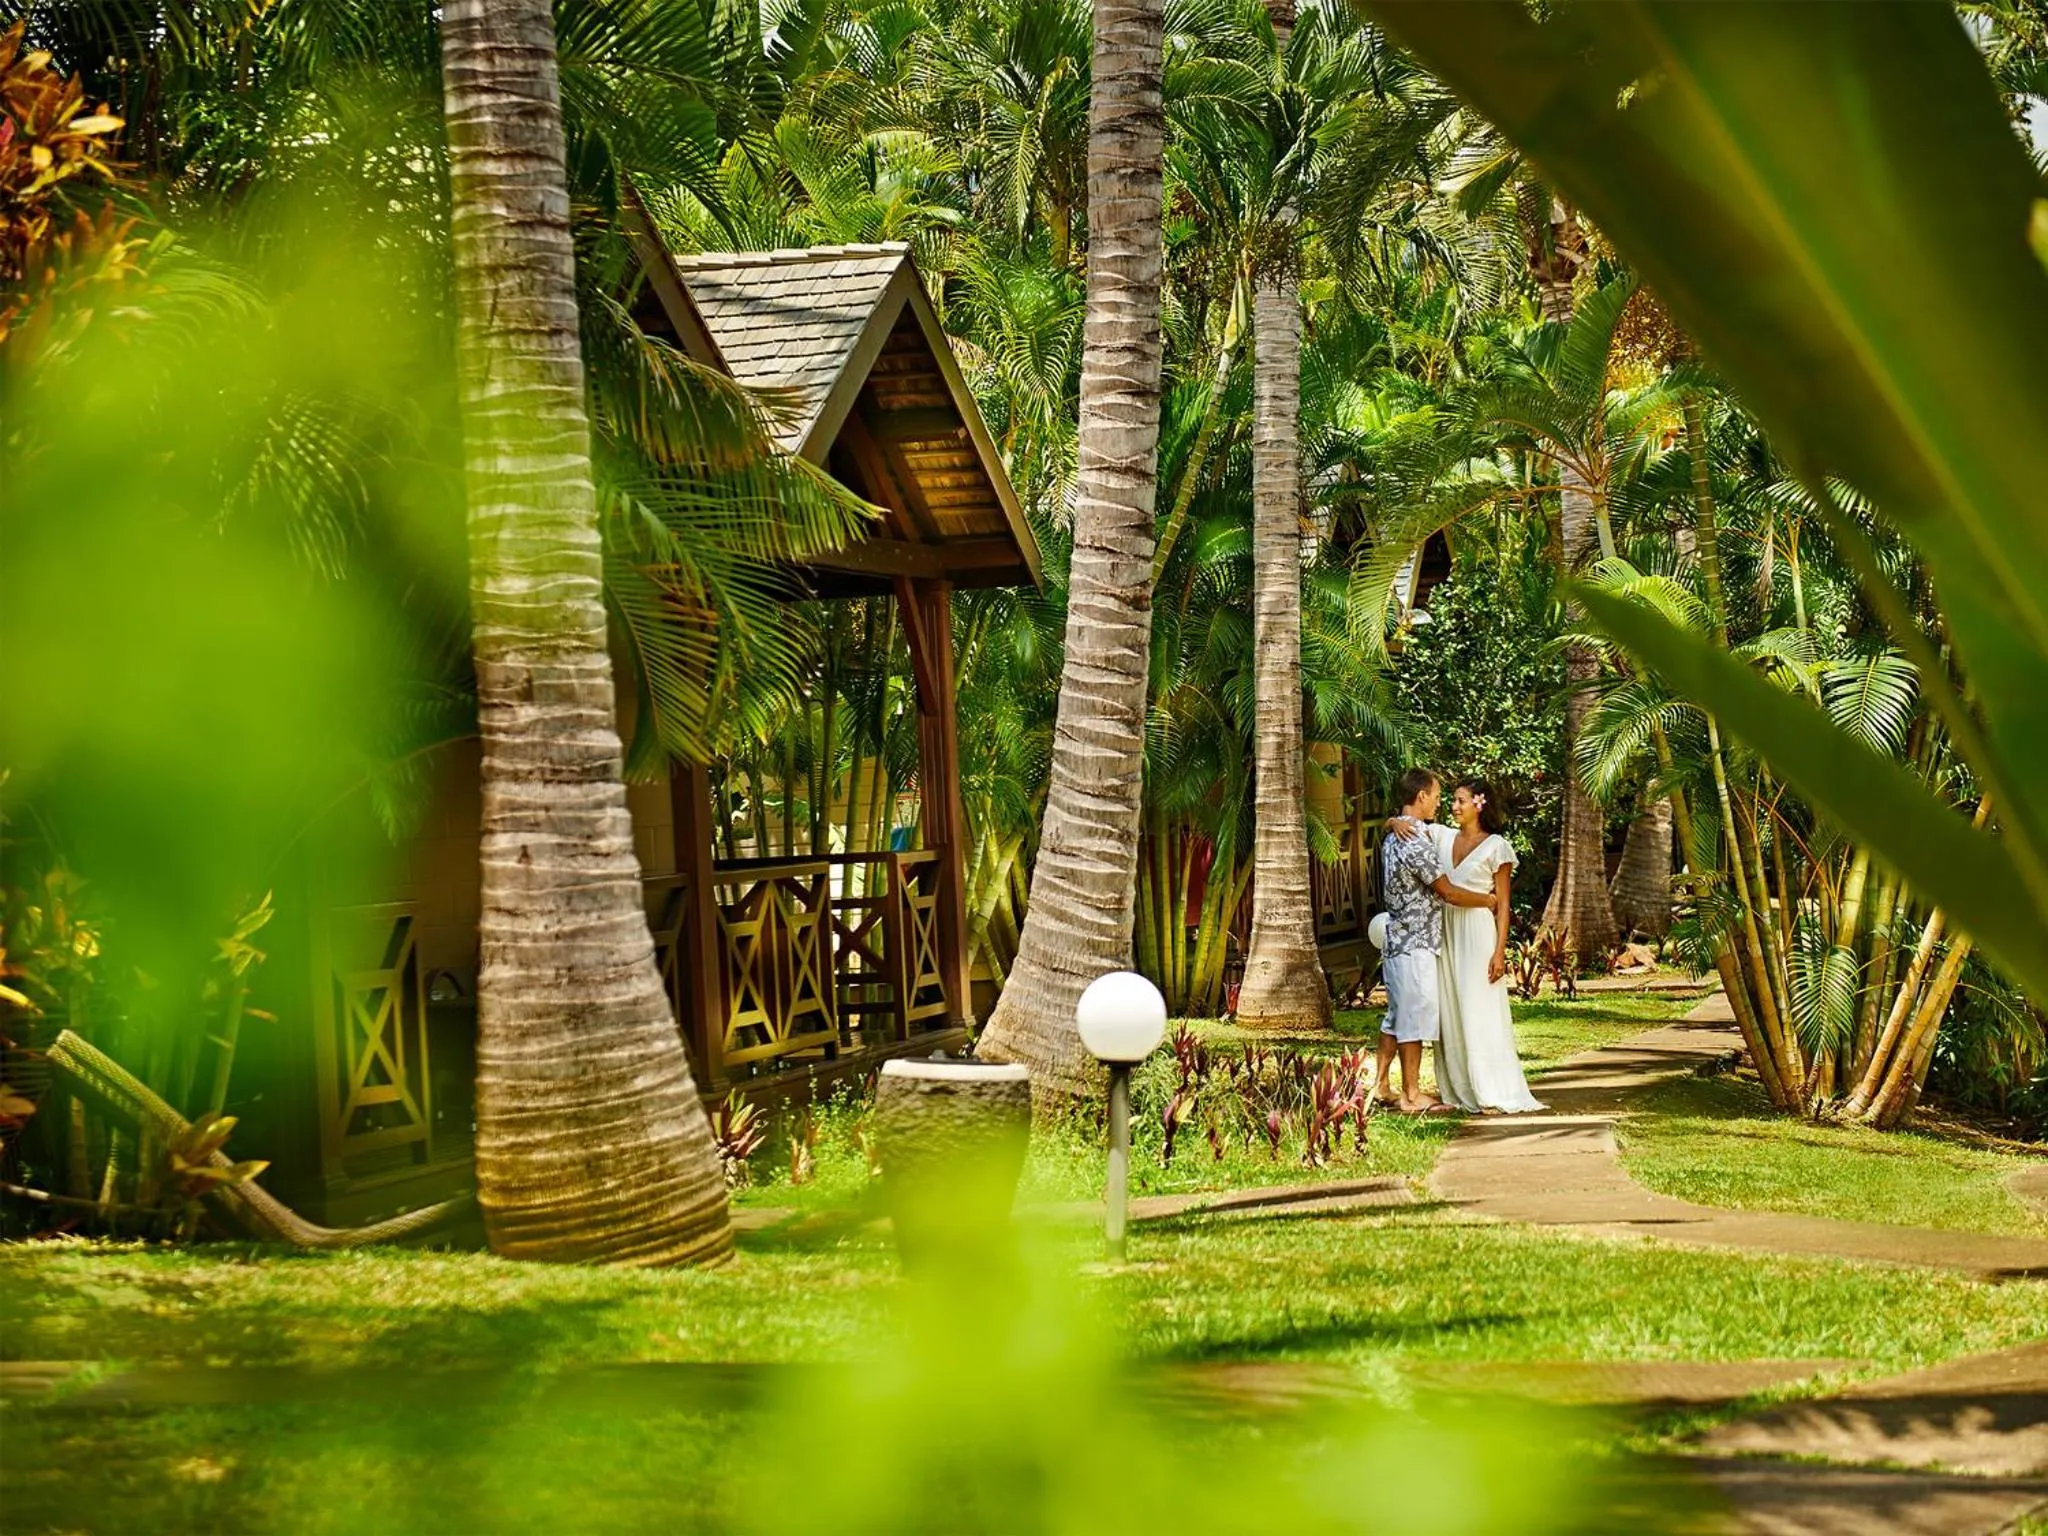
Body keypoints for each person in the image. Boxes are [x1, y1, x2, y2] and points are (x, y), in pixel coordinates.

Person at [1392, 778, 1545, 1115]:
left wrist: (1499, 951)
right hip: (1444, 933)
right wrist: (1393, 821)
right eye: (1453, 800)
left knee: (1479, 1009)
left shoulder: (1497, 847)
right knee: (1451, 1011)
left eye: (1461, 801)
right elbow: (1409, 820)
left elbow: (1502, 905)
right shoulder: (1443, 836)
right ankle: (1460, 1089)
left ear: (1480, 804)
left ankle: (1490, 1088)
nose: (1454, 806)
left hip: (1477, 935)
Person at [1374, 768, 1501, 1115]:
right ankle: (1412, 1096)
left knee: (1397, 1015)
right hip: (1415, 942)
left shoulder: (1396, 835)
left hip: (1396, 940)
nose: (1440, 803)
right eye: (1436, 796)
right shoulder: (1413, 842)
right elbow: (1447, 892)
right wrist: (1488, 901)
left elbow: (1400, 825)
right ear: (1421, 797)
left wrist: (1391, 821)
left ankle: (1382, 1085)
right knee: (1414, 1018)